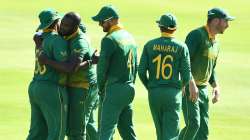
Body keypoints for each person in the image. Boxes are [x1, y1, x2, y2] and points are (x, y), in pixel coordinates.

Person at [38, 12, 99, 140]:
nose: (62, 28)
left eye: (67, 26)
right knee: (78, 126)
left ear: (76, 27)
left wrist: (46, 60)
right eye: (62, 24)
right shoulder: (64, 34)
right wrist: (37, 39)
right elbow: (40, 34)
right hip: (72, 85)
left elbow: (70, 68)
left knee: (76, 130)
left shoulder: (80, 42)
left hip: (83, 85)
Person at [138, 13, 198, 140]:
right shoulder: (182, 47)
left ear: (160, 27)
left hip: (154, 93)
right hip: (173, 94)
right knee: (171, 135)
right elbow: (187, 76)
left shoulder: (149, 45)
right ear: (175, 29)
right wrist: (179, 87)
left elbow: (141, 71)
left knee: (160, 134)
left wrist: (150, 86)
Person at [179, 8, 235, 140]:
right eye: (225, 21)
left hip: (203, 90)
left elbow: (211, 68)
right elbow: (183, 61)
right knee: (193, 125)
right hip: (189, 87)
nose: (228, 25)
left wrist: (216, 86)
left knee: (203, 133)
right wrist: (190, 83)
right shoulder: (196, 35)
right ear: (216, 21)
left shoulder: (216, 43)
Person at [92, 5, 137, 140]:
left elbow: (101, 68)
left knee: (104, 133)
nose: (100, 24)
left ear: (111, 20)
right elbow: (136, 65)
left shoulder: (109, 39)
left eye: (102, 21)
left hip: (113, 90)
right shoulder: (130, 37)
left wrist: (101, 89)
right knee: (128, 132)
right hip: (129, 88)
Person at [27, 9, 68, 140]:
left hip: (34, 86)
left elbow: (37, 34)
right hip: (51, 89)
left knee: (36, 133)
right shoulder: (57, 40)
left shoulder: (40, 38)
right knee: (57, 133)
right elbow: (65, 67)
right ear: (56, 22)